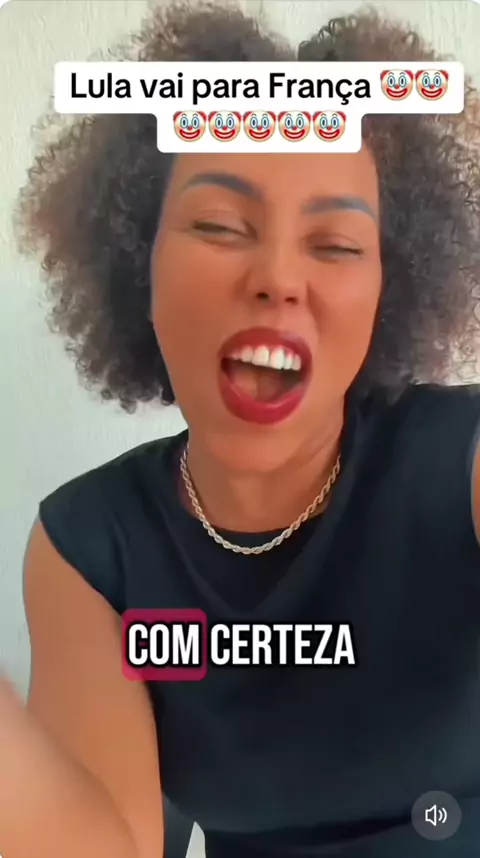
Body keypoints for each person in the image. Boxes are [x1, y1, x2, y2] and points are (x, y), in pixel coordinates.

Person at [2, 1, 480, 856]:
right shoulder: (89, 548)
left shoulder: (463, 465)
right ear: (138, 266)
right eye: (220, 226)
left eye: (335, 244)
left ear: (389, 290)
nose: (278, 277)